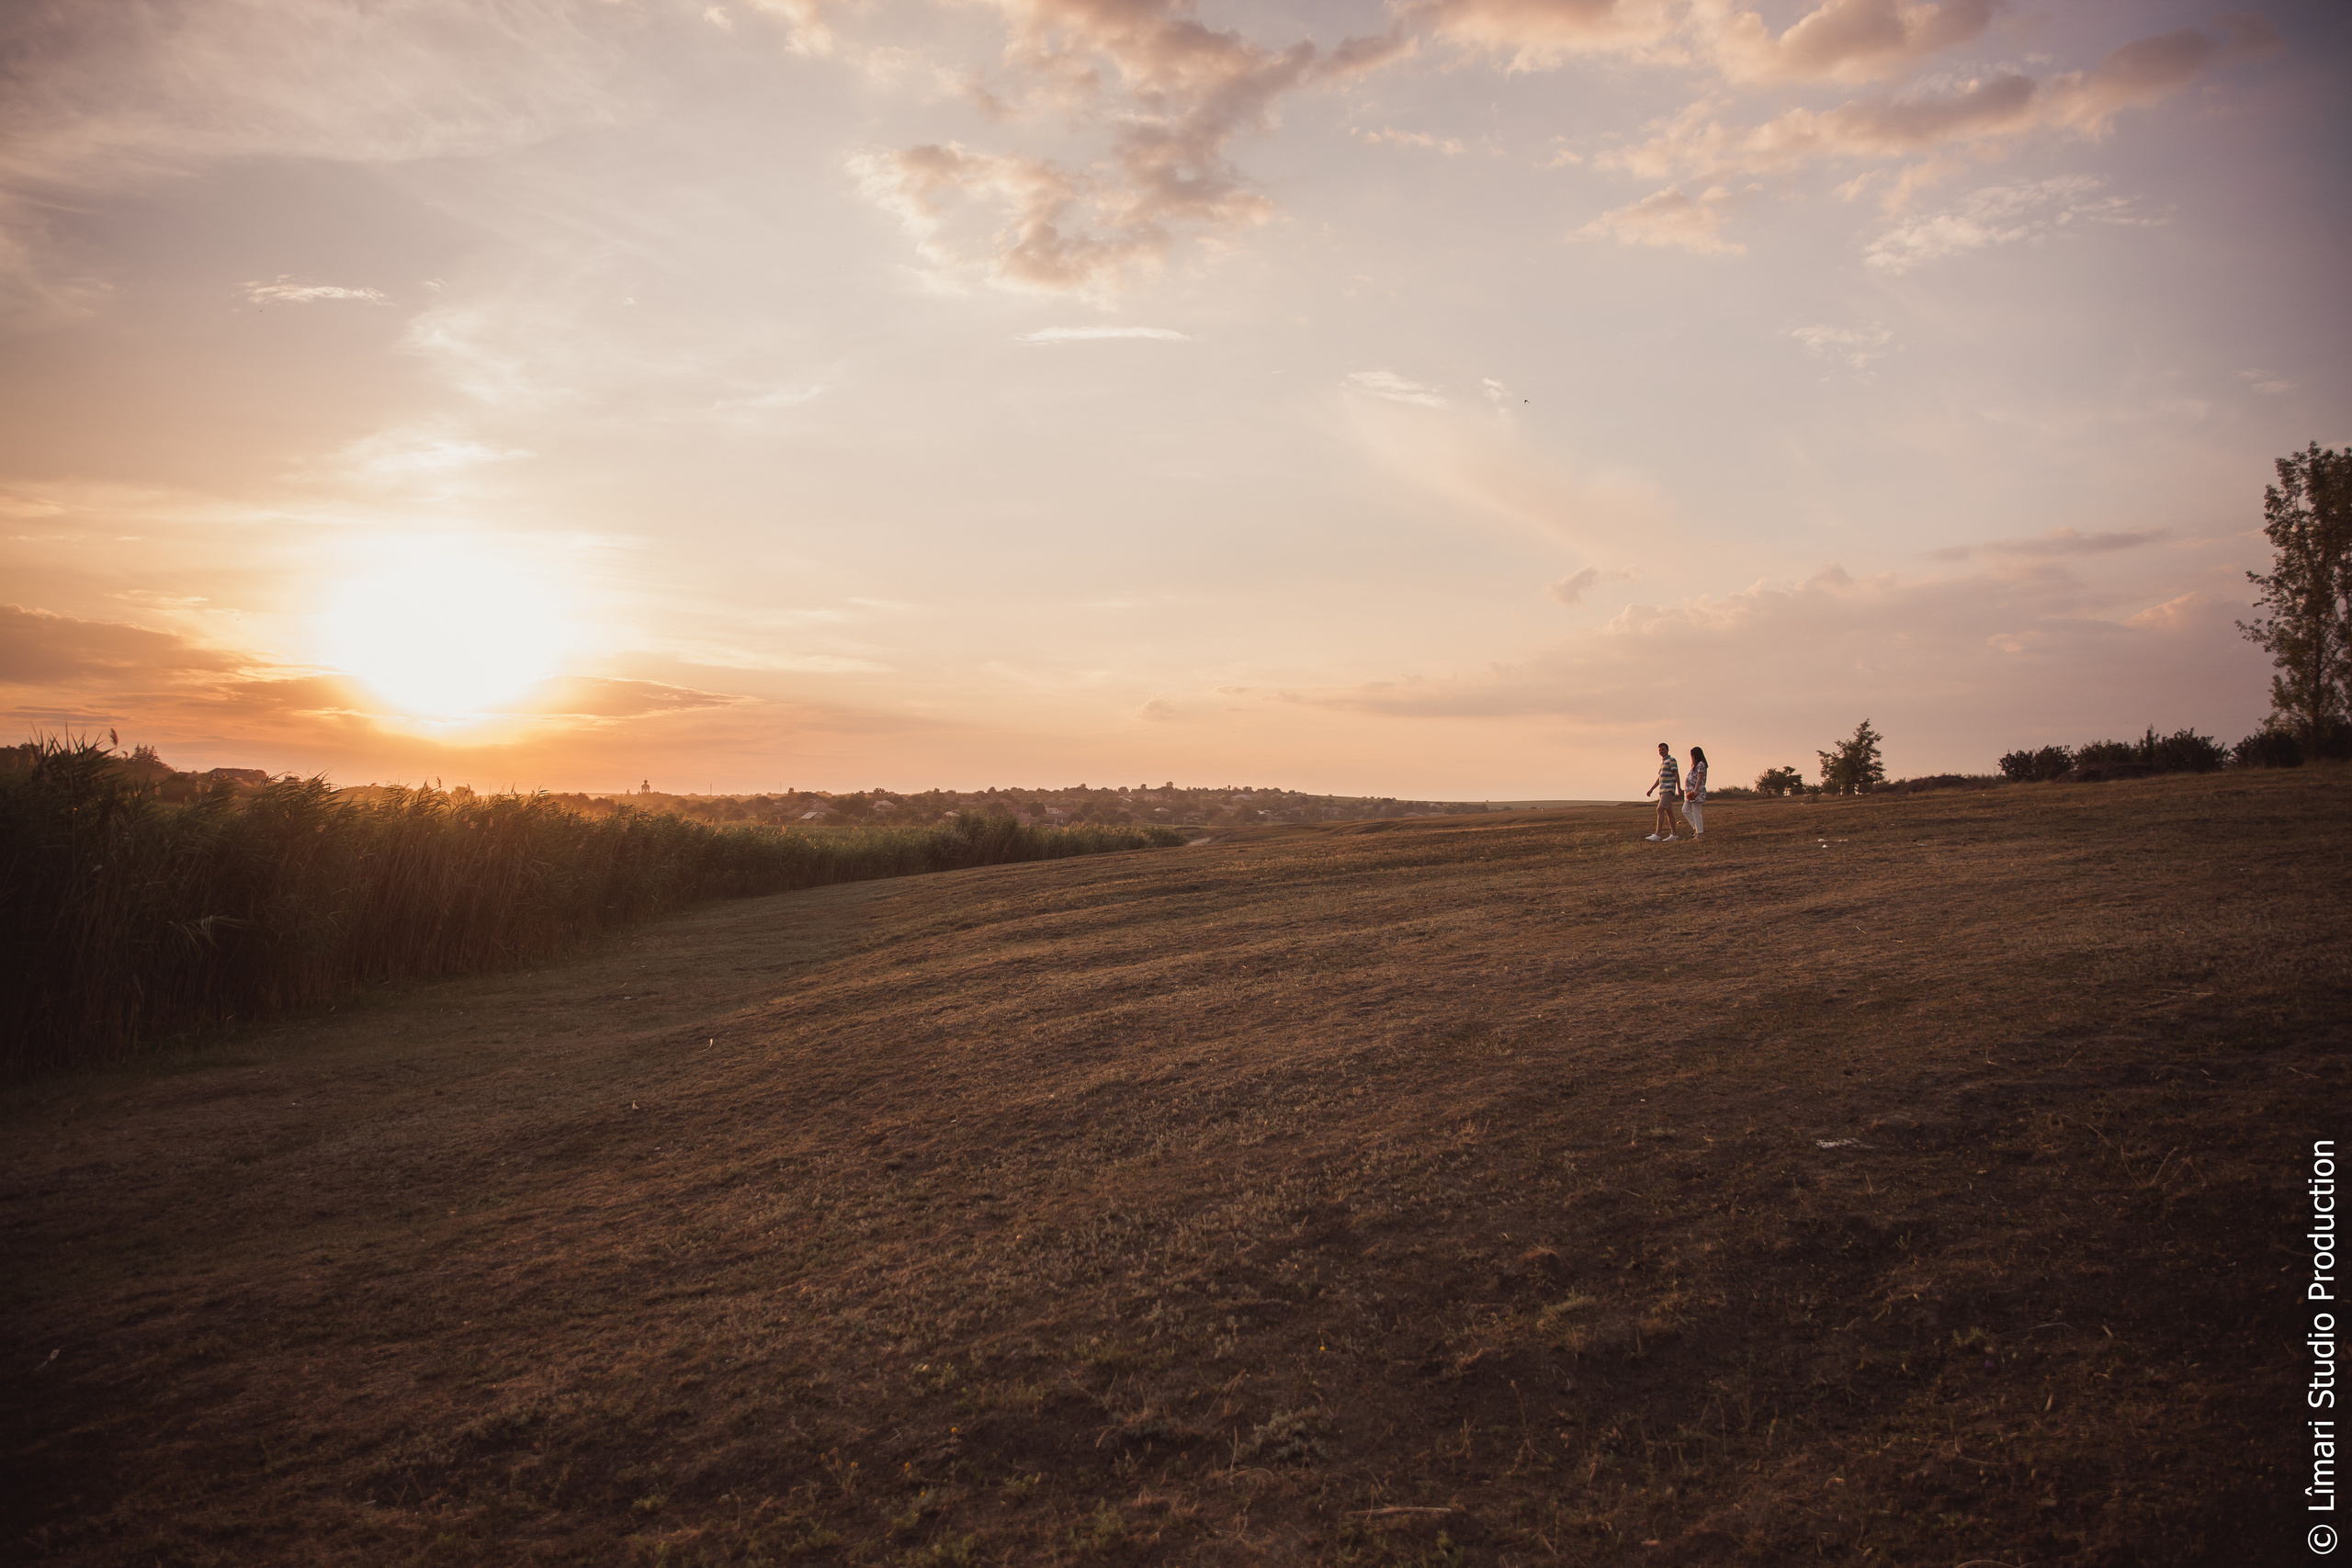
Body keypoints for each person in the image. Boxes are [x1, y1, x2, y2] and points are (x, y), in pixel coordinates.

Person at [1643, 741, 1681, 841]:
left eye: (1663, 749)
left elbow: (1676, 774)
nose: (1661, 751)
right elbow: (1659, 778)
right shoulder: (1663, 763)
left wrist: (1679, 788)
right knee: (1669, 812)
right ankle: (1674, 834)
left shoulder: (1671, 760)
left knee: (1660, 809)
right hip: (1662, 790)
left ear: (1667, 750)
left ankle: (1657, 834)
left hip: (1669, 789)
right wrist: (1651, 789)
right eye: (1660, 750)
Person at [1683, 745, 1708, 840]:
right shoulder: (1695, 765)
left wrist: (1696, 790)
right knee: (1685, 810)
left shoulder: (1701, 764)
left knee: (1697, 812)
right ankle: (1697, 829)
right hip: (1690, 793)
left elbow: (1699, 778)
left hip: (1696, 792)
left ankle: (1700, 834)